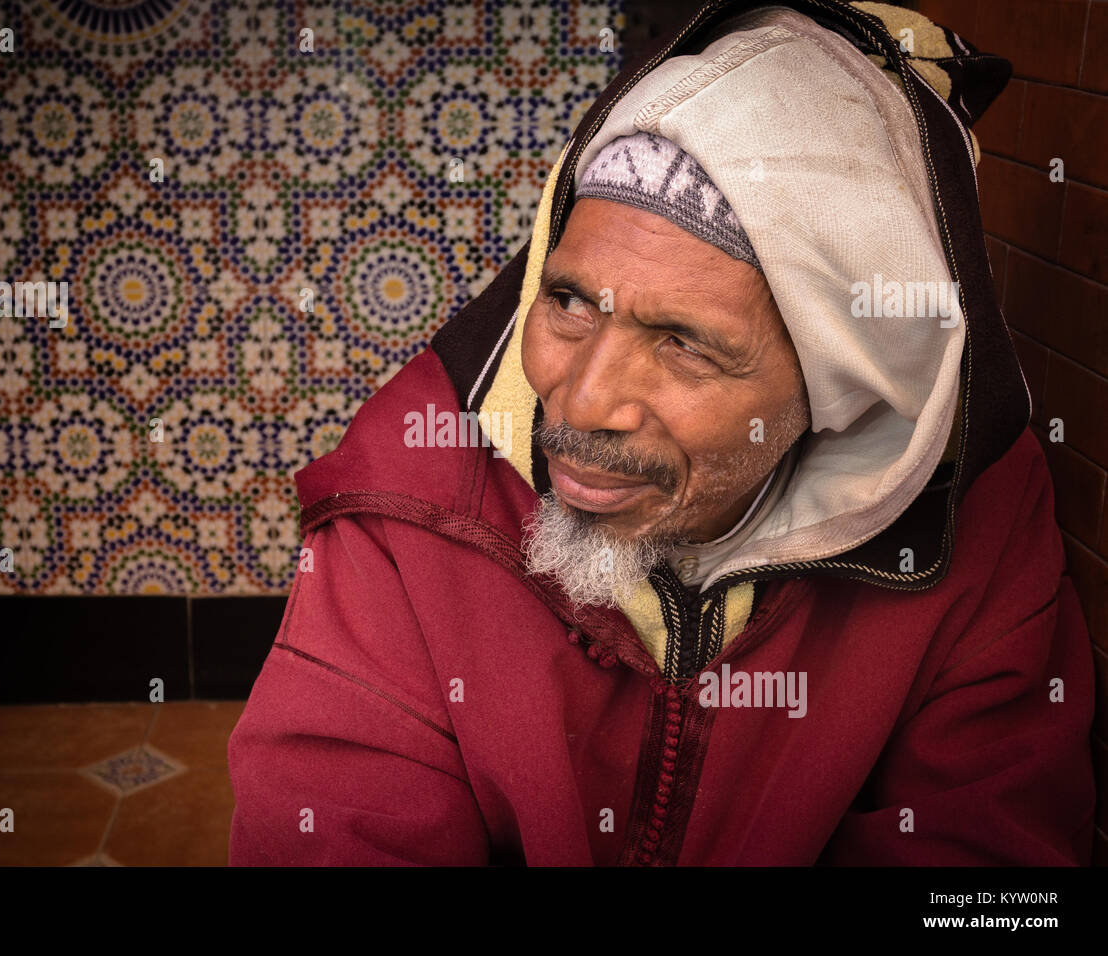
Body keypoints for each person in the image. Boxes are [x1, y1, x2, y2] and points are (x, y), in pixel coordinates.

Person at [227, 0, 1096, 865]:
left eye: (684, 344)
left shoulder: (970, 518)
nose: (582, 400)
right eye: (567, 302)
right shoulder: (412, 487)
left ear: (841, 385)